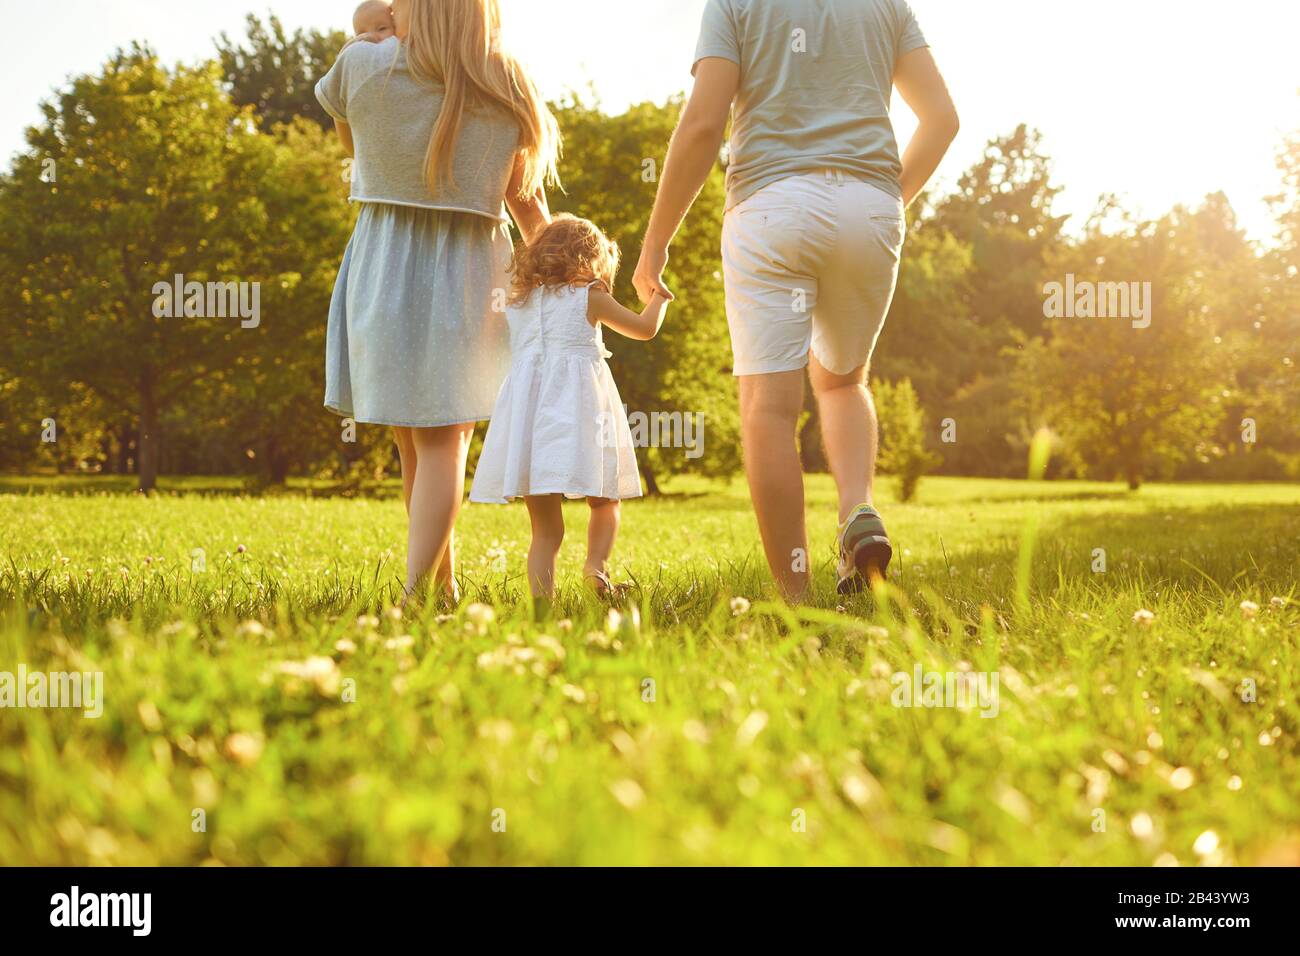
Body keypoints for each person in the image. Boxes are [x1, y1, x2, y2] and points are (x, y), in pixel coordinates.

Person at [634, 0, 959, 600]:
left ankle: (796, 598)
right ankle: (856, 509)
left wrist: (655, 243)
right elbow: (941, 118)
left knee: (769, 406)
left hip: (771, 204)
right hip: (870, 203)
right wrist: (885, 206)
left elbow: (705, 124)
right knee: (841, 382)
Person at [315, 0, 558, 604]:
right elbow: (528, 207)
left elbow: (351, 140)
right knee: (443, 440)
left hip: (382, 259)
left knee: (412, 439)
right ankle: (425, 592)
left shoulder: (361, 66)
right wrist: (567, 276)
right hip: (470, 270)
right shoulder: (506, 78)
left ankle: (430, 593)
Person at [471, 215, 672, 600]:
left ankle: (542, 607)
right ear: (590, 259)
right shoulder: (589, 296)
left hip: (530, 418)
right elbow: (644, 329)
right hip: (583, 413)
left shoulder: (518, 303)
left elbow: (488, 344)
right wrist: (659, 297)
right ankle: (596, 568)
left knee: (545, 532)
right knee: (605, 498)